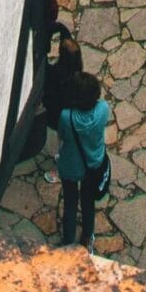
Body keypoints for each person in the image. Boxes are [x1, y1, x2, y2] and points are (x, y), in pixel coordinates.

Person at [56, 70, 112, 247]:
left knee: (70, 202)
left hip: (71, 166)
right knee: (88, 202)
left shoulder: (67, 117)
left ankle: (68, 239)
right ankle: (88, 236)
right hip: (93, 163)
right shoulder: (103, 109)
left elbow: (62, 136)